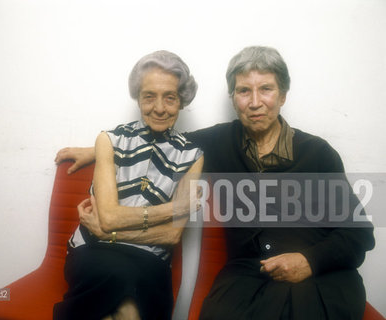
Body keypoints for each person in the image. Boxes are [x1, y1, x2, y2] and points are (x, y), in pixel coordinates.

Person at [56, 46, 375, 319]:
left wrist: (309, 261)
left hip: (318, 277)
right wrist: (99, 148)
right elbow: (162, 137)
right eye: (243, 91)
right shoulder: (220, 142)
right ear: (233, 97)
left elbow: (359, 233)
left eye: (265, 89)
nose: (254, 102)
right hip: (249, 275)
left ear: (283, 95)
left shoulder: (317, 154)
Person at [53, 50, 204, 320]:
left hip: (150, 261)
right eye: (149, 96)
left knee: (126, 306)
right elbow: (110, 217)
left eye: (169, 97)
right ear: (138, 97)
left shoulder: (192, 156)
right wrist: (175, 208)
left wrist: (109, 232)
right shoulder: (109, 140)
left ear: (181, 100)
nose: (159, 107)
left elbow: (171, 236)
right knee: (128, 304)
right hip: (92, 252)